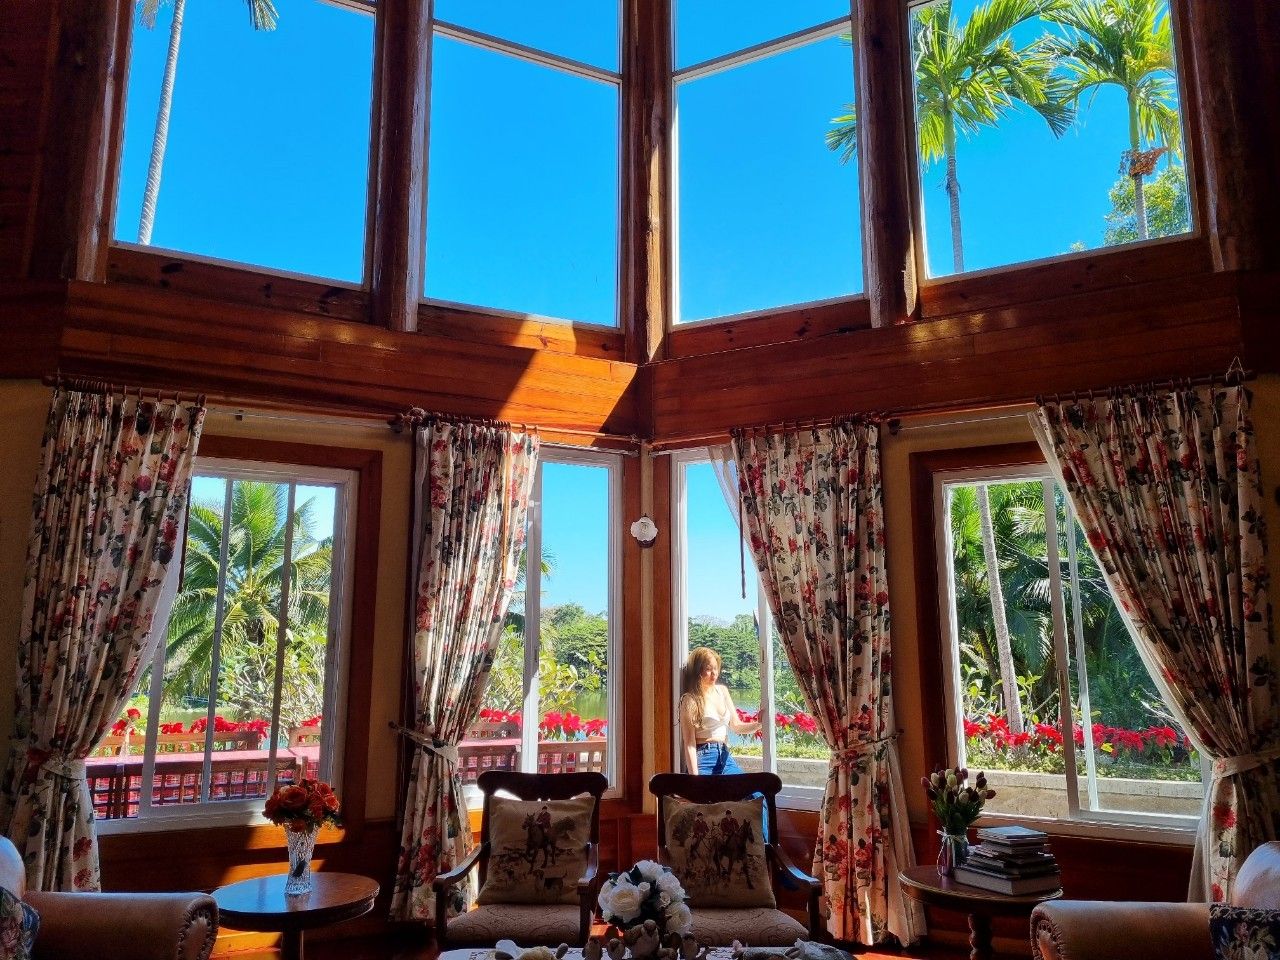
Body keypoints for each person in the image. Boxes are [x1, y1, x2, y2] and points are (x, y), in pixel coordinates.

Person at [678, 647, 760, 776]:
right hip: (703, 757)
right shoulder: (690, 700)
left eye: (716, 668)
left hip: (725, 756)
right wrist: (694, 779)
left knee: (755, 794)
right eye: (708, 669)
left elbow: (737, 726)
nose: (714, 673)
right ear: (697, 671)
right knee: (707, 795)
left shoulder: (722, 691)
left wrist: (760, 723)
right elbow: (689, 743)